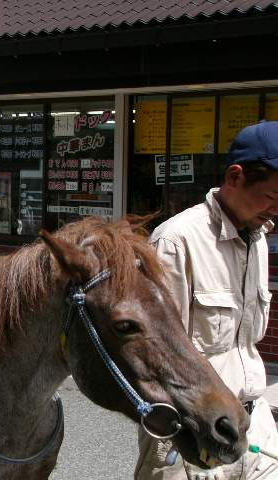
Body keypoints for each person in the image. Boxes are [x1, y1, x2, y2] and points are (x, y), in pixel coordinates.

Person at [135, 121, 278, 480]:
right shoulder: (176, 242)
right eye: (272, 197)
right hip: (193, 430)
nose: (275, 210)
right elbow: (154, 355)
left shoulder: (258, 238)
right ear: (235, 176)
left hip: (253, 421)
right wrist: (180, 427)